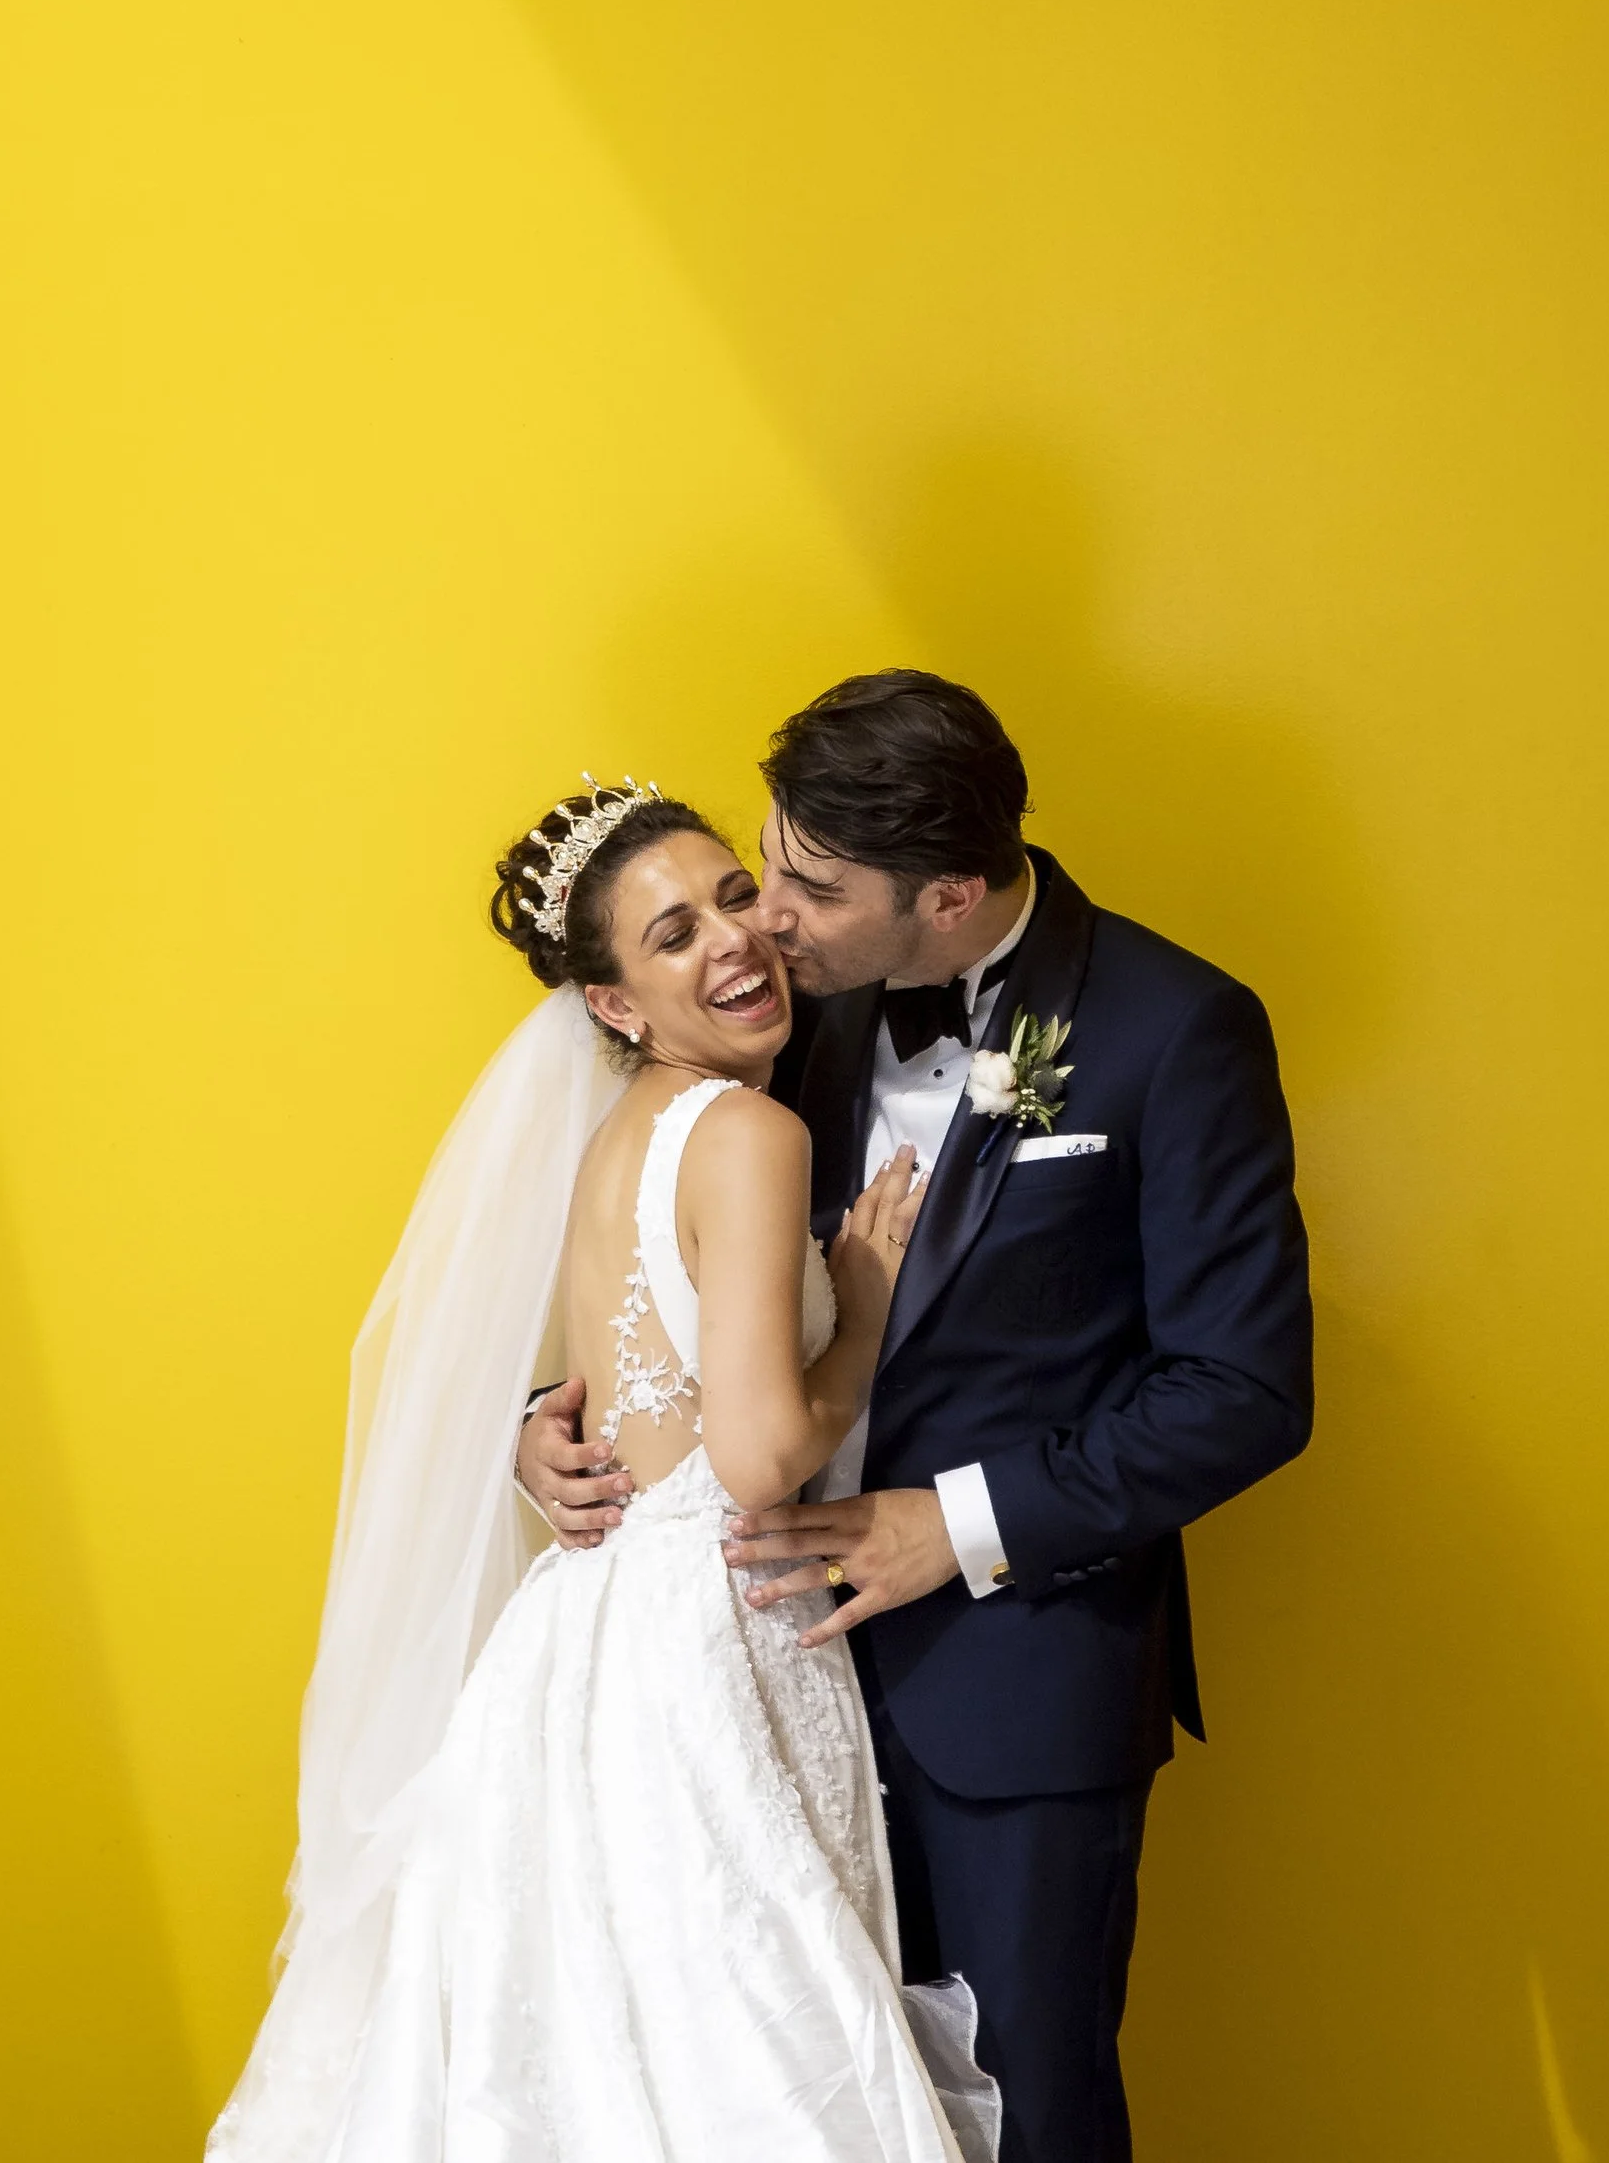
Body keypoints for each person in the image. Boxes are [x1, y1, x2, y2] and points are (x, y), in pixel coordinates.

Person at [521, 672, 1314, 2163]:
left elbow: (1245, 1388)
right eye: (768, 861)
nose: (767, 923)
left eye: (806, 887)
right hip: (743, 1688)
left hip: (1013, 1694)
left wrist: (952, 1523)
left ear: (948, 898)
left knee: (1025, 2114)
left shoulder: (1174, 1027)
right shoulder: (776, 1021)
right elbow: (662, 1259)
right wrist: (546, 1420)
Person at [209, 778, 1000, 2163]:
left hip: (579, 1646)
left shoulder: (611, 1142)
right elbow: (755, 1456)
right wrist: (862, 1303)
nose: (736, 942)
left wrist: (540, 1424)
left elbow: (636, 1386)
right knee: (736, 2058)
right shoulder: (751, 1132)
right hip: (714, 1637)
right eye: (675, 933)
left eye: (735, 895)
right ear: (615, 1002)